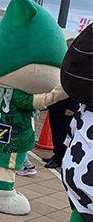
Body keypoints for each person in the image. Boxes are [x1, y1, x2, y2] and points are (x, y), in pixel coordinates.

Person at [42, 38, 77, 169]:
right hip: (55, 104)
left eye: (69, 47)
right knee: (55, 131)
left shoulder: (76, 65)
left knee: (63, 133)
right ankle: (56, 154)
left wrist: (71, 107)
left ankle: (59, 158)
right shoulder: (61, 62)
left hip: (66, 106)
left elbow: (75, 88)